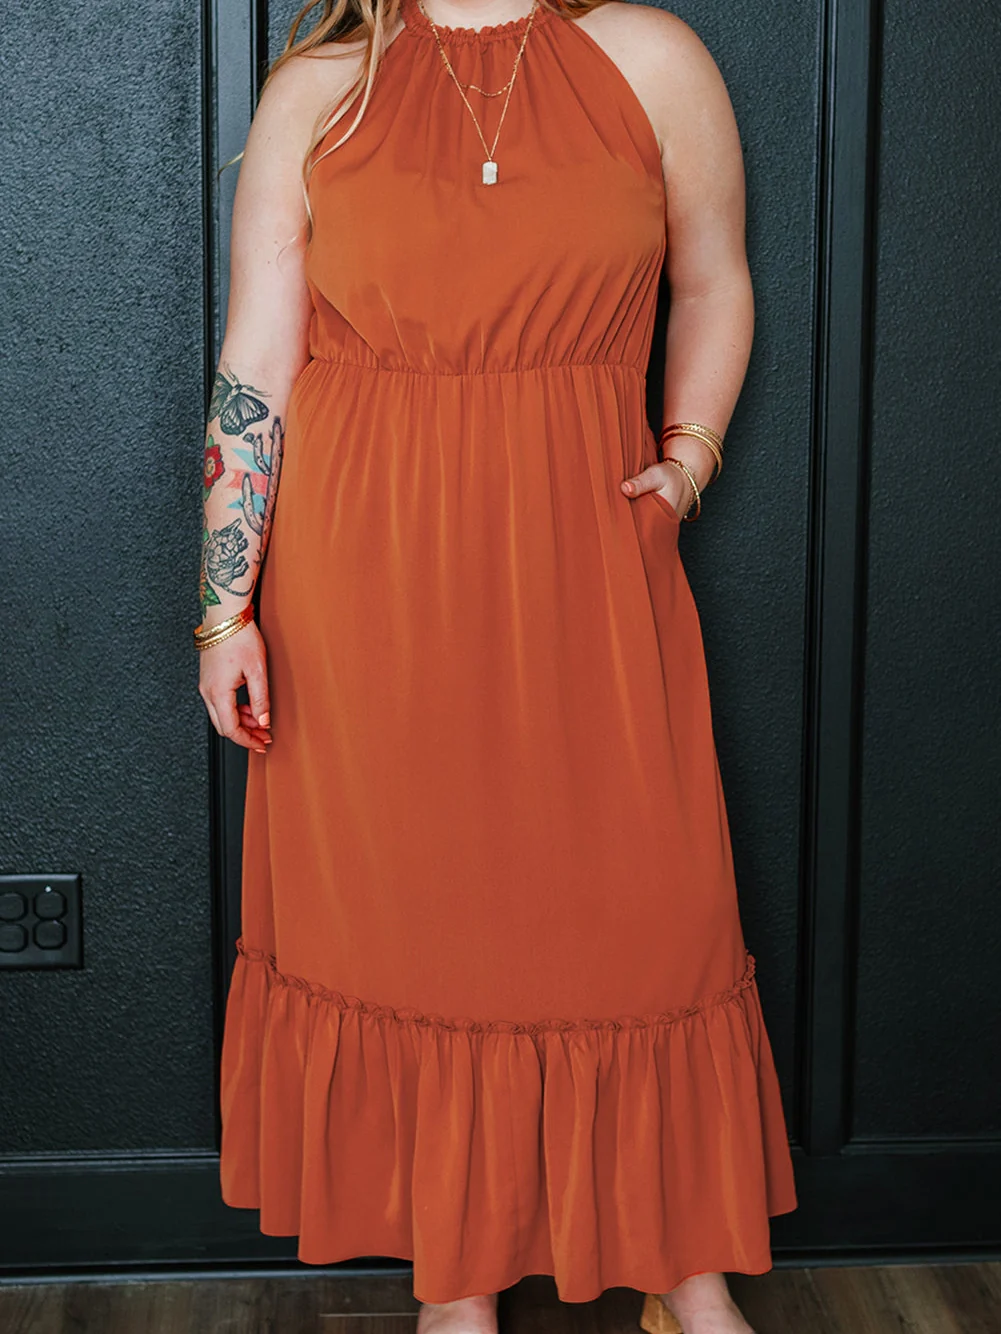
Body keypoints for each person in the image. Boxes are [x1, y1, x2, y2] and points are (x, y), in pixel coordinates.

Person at [195, 0, 799, 1331]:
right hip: (367, 582)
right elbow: (257, 360)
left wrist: (688, 461)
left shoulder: (653, 62)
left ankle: (683, 1268)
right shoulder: (325, 90)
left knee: (646, 912)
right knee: (418, 924)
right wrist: (224, 608)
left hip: (588, 565)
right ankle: (454, 1282)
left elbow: (716, 280)